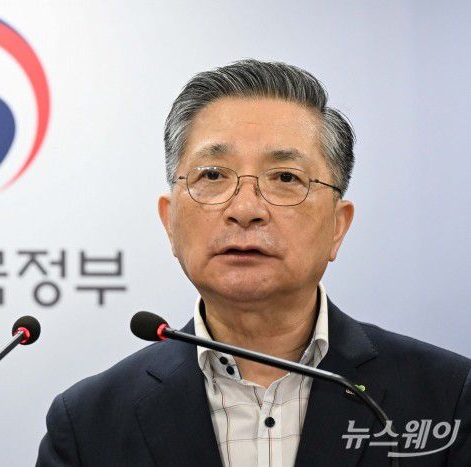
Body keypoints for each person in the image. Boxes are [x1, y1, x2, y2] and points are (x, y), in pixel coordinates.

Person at [35, 59, 470, 466]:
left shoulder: (448, 397)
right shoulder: (88, 425)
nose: (245, 209)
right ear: (170, 221)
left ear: (337, 226)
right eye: (212, 175)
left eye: (285, 178)